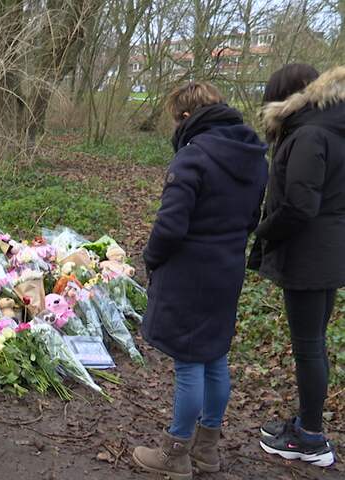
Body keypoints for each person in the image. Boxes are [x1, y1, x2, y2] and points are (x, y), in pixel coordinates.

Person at [133, 82, 268, 479]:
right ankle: (207, 451)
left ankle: (176, 453)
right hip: (227, 270)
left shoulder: (193, 157)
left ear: (187, 117)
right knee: (215, 359)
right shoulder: (255, 156)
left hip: (189, 274)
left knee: (189, 364)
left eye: (177, 119)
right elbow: (251, 220)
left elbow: (170, 226)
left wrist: (151, 257)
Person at [252, 64, 343, 468]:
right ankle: (308, 427)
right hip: (329, 250)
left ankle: (311, 438)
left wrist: (263, 230)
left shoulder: (310, 134)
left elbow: (301, 205)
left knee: (308, 349)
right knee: (314, 346)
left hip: (309, 255)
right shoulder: (332, 128)